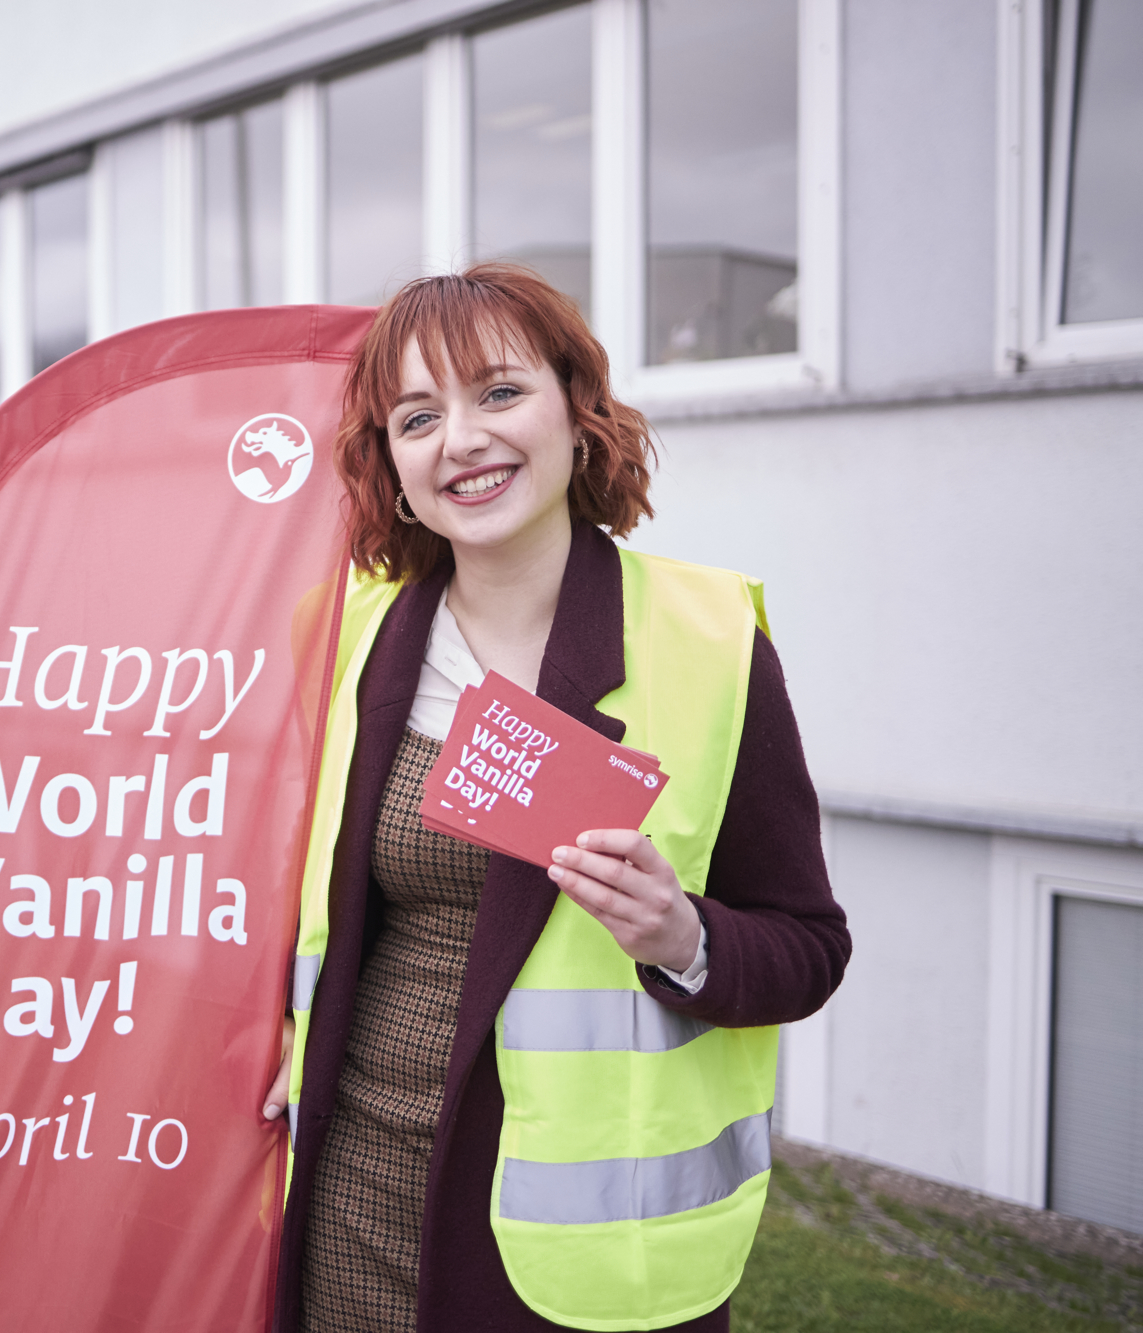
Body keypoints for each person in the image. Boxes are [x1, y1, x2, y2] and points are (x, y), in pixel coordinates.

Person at [261, 264, 850, 1332]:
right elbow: (275, 890)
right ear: (389, 463)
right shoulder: (339, 634)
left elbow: (808, 945)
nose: (461, 439)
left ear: (577, 415)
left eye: (497, 393)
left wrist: (682, 936)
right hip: (353, 1183)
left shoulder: (709, 642)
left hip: (573, 1239)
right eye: (417, 415)